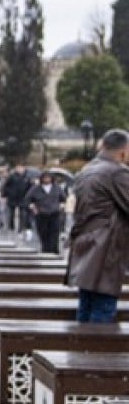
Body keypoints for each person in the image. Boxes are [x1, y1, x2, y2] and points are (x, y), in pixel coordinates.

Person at [65, 129, 129, 322]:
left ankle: (80, 350)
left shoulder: (88, 169)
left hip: (87, 247)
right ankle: (93, 351)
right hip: (105, 249)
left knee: (86, 307)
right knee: (102, 312)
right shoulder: (116, 172)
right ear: (123, 151)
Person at [25, 170, 65, 254]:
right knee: (43, 233)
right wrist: (33, 208)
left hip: (54, 213)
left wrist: (61, 206)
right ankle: (45, 250)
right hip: (41, 214)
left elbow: (63, 198)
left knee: (54, 232)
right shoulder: (36, 188)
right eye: (45, 178)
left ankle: (54, 250)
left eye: (48, 178)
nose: (46, 179)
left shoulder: (56, 187)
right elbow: (28, 199)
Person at [1, 162, 31, 232]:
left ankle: (21, 228)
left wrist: (29, 196)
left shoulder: (27, 177)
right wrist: (5, 195)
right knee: (11, 213)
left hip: (23, 197)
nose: (20, 169)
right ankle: (11, 227)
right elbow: (6, 186)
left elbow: (30, 187)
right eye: (18, 168)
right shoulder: (12, 176)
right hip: (12, 197)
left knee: (23, 213)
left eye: (21, 168)